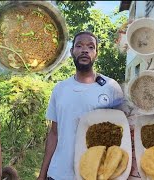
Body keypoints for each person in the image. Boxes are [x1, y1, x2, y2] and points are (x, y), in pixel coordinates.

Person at [37, 31, 125, 180]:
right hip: (58, 173)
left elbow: (121, 133)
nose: (85, 50)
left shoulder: (111, 87)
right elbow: (54, 134)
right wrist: (42, 173)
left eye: (91, 47)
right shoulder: (60, 89)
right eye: (79, 46)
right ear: (72, 52)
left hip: (94, 174)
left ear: (96, 53)